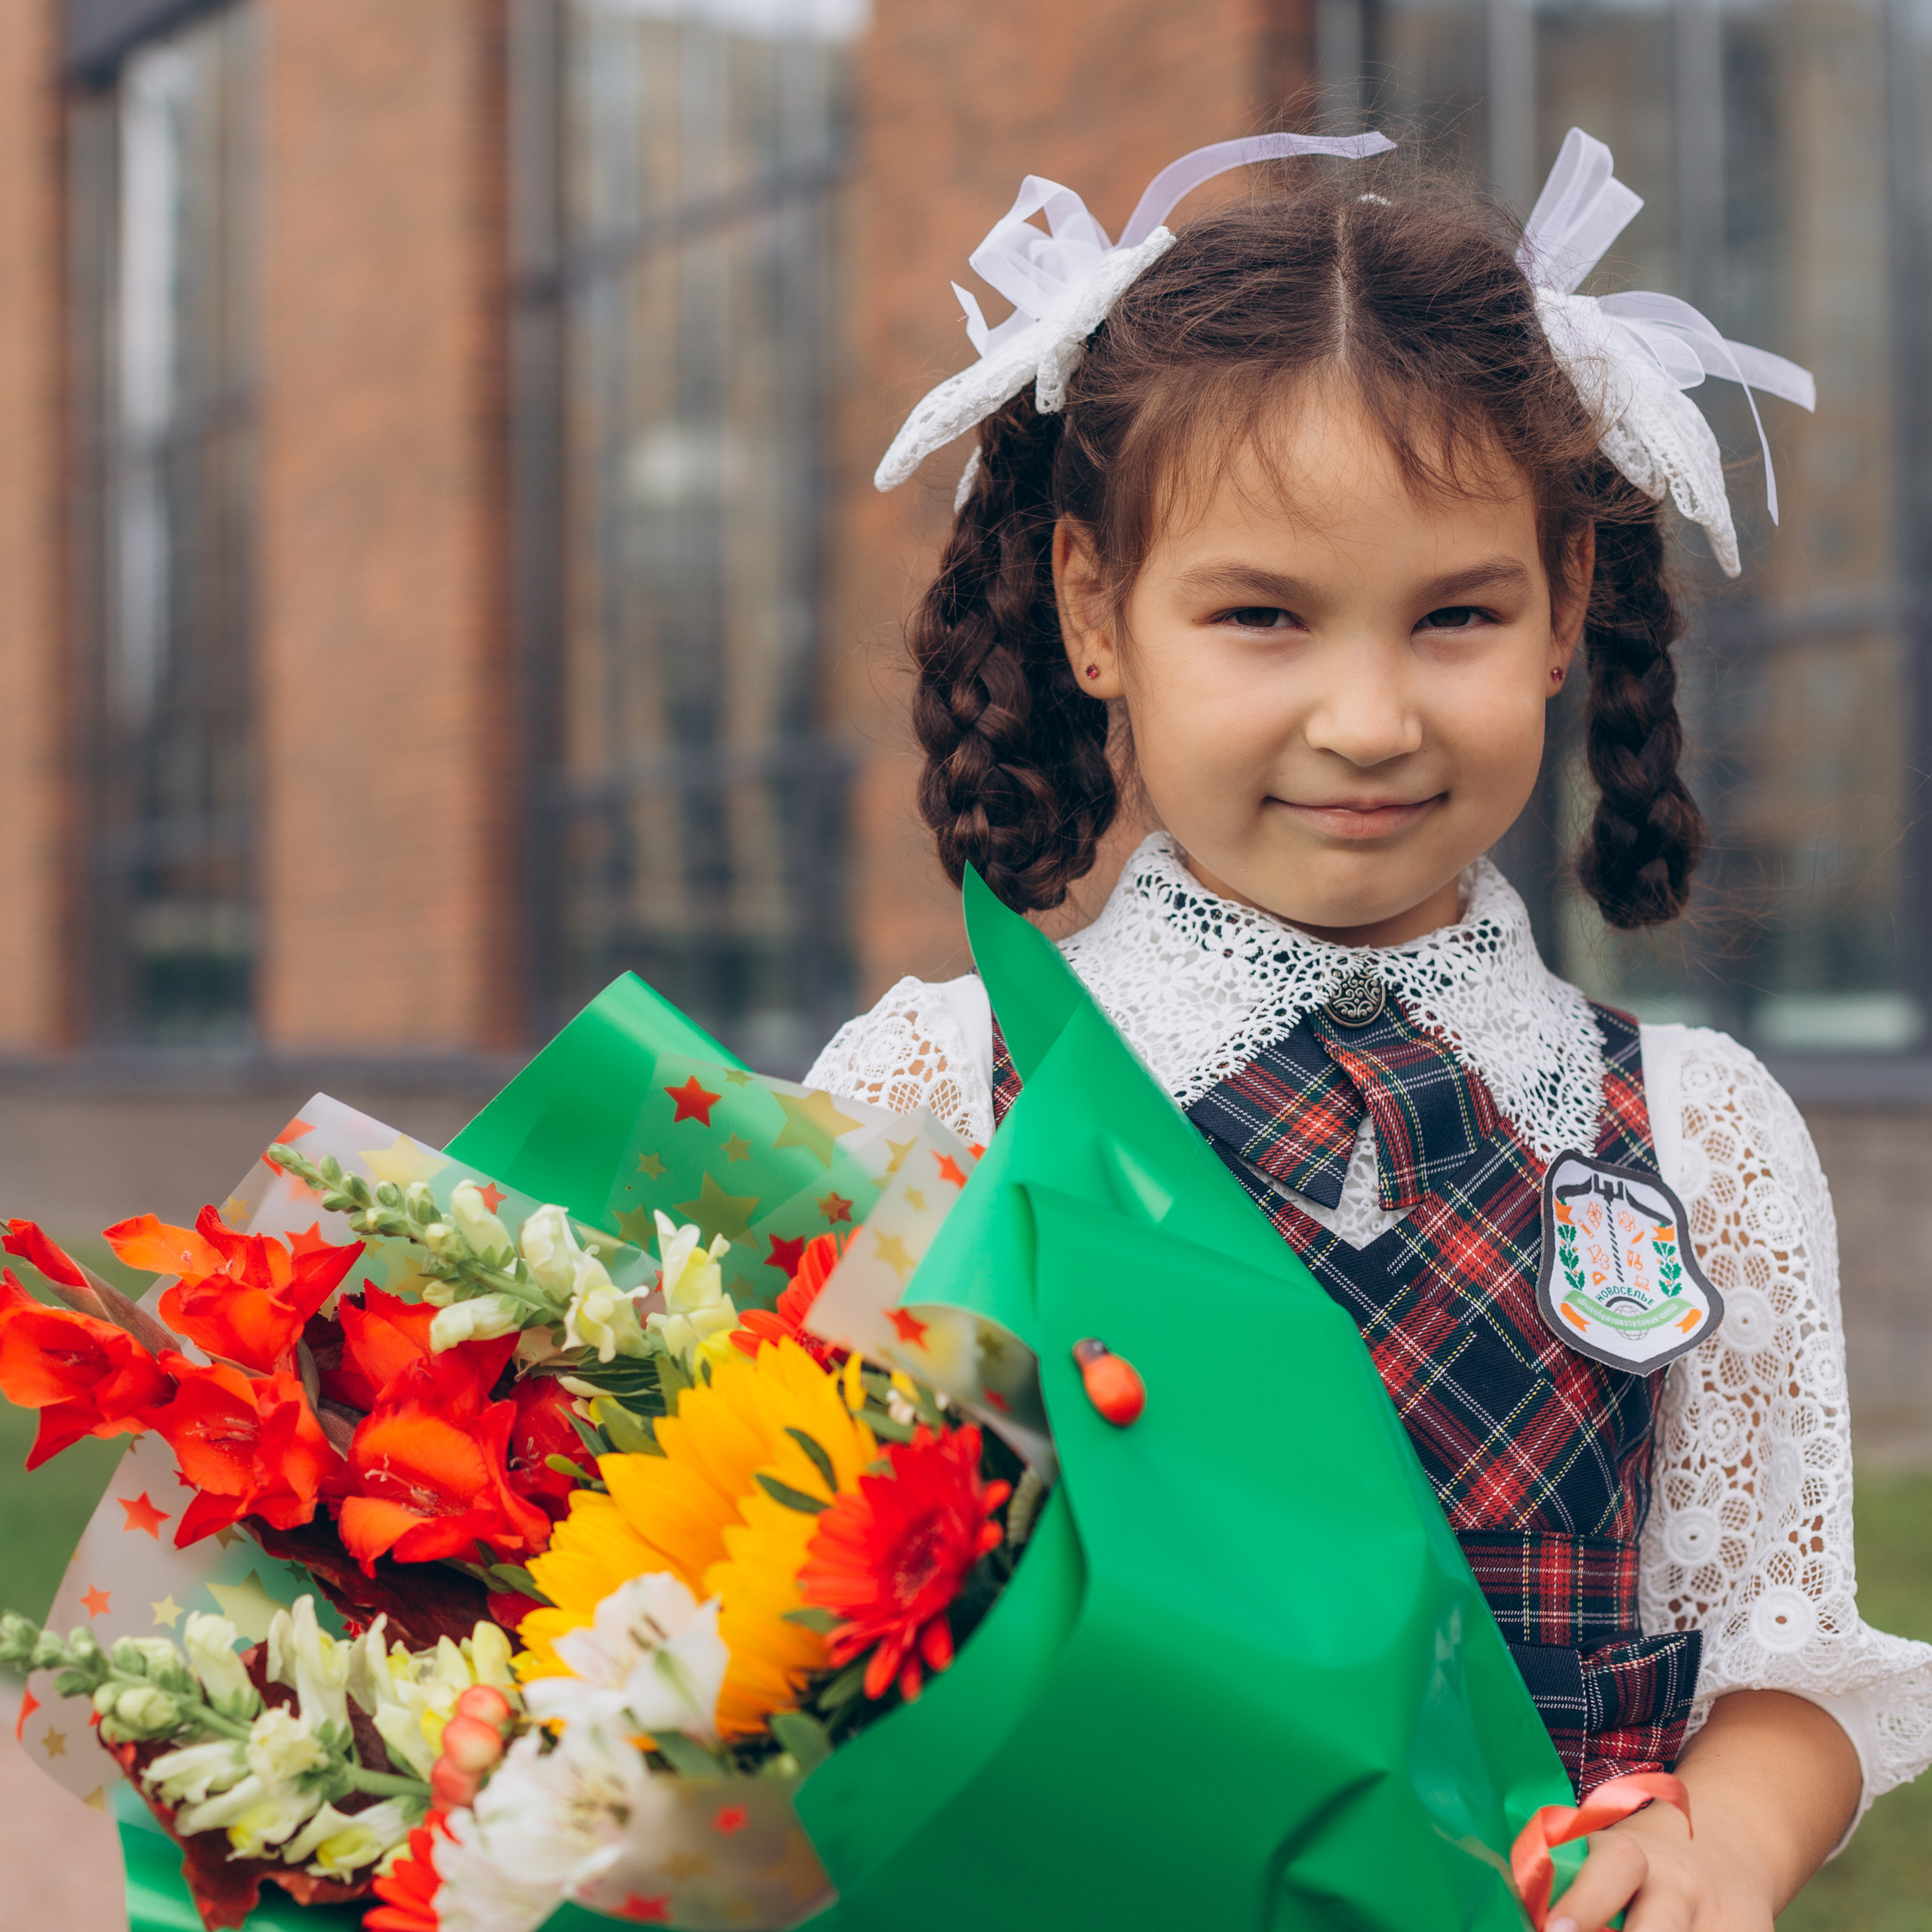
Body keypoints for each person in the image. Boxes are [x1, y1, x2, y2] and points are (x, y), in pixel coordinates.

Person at [804, 131, 1932, 1930]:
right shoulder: (936, 1096)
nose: (1366, 715)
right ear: (1096, 608)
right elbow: (756, 1610)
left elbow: (1782, 1669)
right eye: (1260, 615)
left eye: (1453, 616)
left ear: (1564, 606)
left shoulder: (1688, 1133)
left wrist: (1717, 1836)